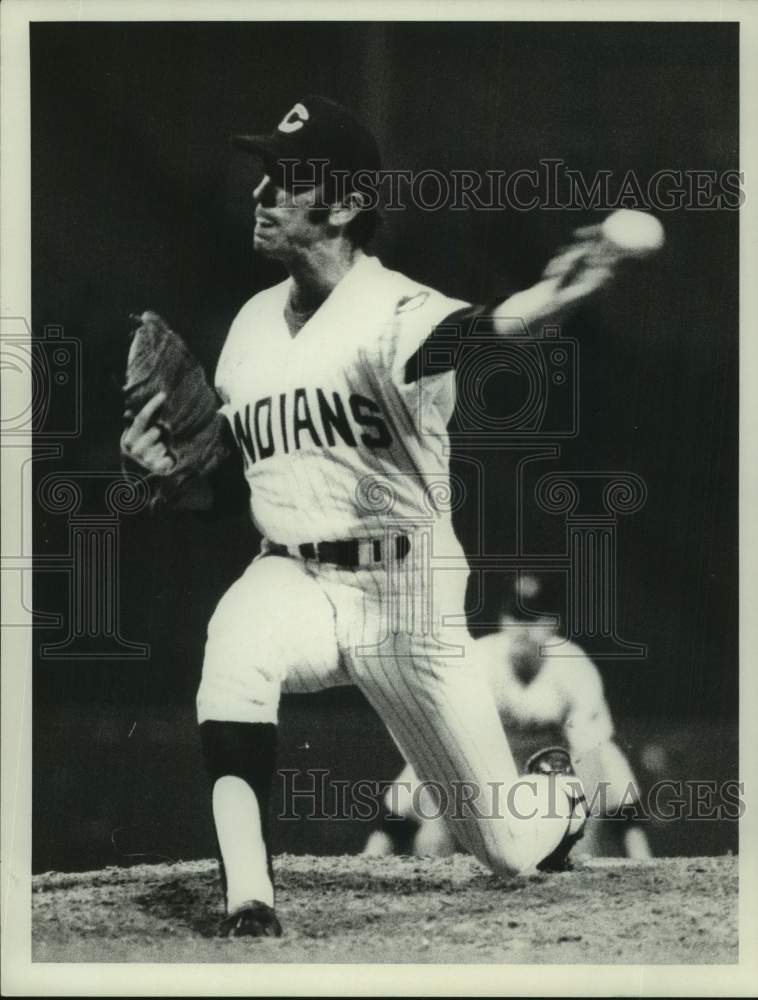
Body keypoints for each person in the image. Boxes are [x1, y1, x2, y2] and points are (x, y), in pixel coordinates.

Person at [120, 95, 620, 938]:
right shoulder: (247, 327)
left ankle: (556, 798)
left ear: (344, 204)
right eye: (263, 177)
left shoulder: (394, 311)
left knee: (507, 850)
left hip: (406, 600)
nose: (261, 194)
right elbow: (234, 492)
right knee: (234, 644)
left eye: (285, 179)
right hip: (295, 576)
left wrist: (554, 296)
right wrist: (163, 478)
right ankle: (250, 900)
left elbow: (484, 331)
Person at [364, 575, 653, 861]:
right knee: (417, 770)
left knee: (611, 760)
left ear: (553, 624)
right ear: (503, 621)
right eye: (516, 617)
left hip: (551, 779)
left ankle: (646, 865)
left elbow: (589, 756)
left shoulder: (574, 668)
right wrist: (437, 822)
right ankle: (371, 857)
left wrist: (580, 833)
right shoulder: (479, 661)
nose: (523, 629)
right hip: (489, 774)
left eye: (535, 618)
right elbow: (447, 743)